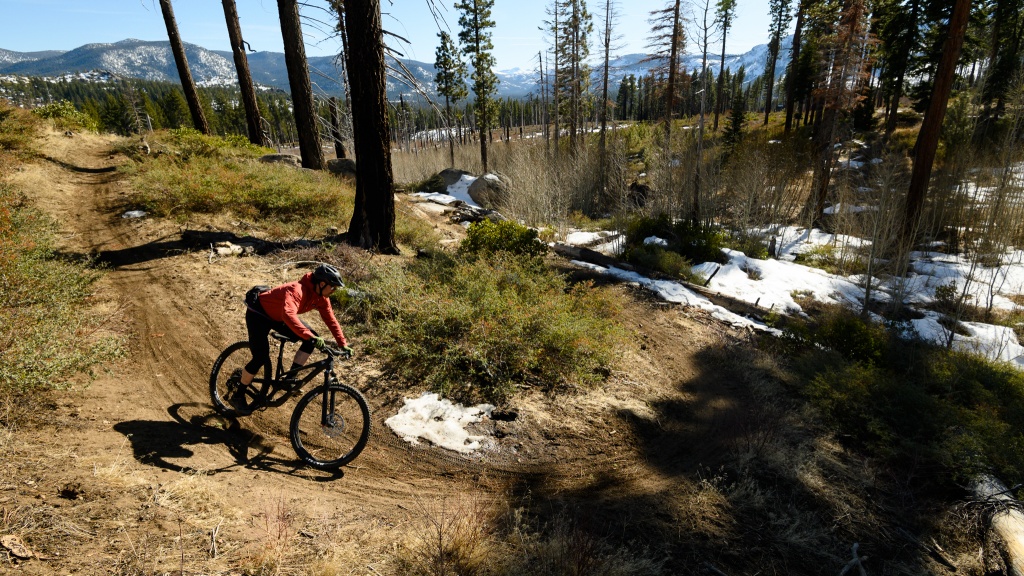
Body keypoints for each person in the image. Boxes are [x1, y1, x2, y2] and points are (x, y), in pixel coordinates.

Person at [229, 263, 353, 411]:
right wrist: (308, 335)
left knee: (312, 339)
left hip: (278, 317)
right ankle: (238, 395)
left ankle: (289, 379)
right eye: (332, 287)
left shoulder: (321, 297)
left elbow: (331, 320)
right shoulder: (296, 290)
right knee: (261, 357)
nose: (333, 291)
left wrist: (342, 343)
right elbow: (288, 315)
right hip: (258, 314)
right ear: (321, 283)